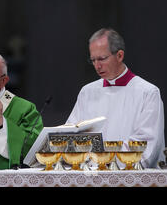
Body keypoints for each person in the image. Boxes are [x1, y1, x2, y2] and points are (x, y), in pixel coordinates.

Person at [66, 28, 165, 168]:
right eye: (93, 60)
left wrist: (104, 162)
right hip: (91, 175)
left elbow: (147, 145)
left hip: (130, 176)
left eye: (102, 58)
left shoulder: (148, 93)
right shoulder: (87, 92)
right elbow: (72, 134)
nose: (97, 66)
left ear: (119, 55)